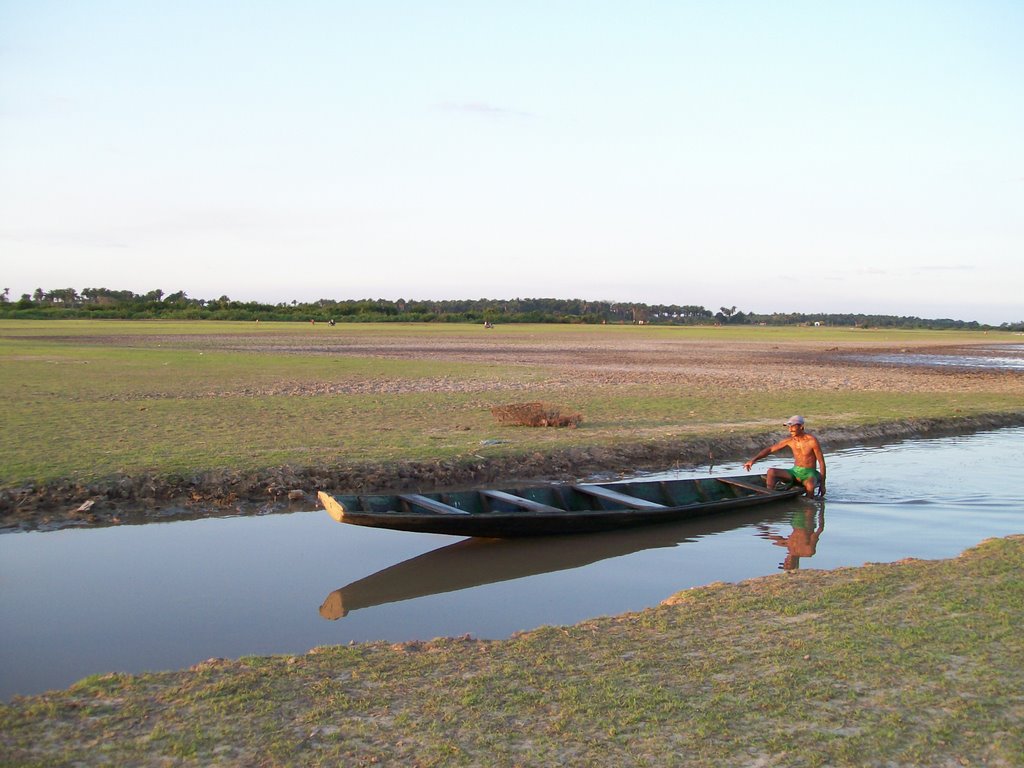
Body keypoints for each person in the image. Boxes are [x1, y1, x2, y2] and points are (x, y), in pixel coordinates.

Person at [743, 415, 826, 497]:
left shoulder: (812, 441)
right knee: (771, 471)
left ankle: (809, 506)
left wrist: (822, 484)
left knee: (810, 486)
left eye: (793, 427)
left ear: (801, 426)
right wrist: (753, 460)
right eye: (789, 427)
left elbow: (821, 462)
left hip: (809, 473)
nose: (790, 430)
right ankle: (769, 494)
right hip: (795, 471)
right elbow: (770, 449)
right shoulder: (790, 440)